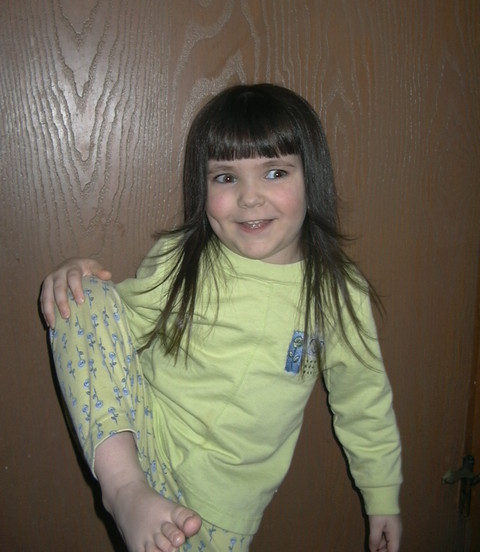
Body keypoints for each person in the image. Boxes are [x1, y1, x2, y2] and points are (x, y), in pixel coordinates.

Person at [41, 83, 402, 552]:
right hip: (138, 446)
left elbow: (363, 400)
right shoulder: (180, 258)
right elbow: (107, 336)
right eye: (227, 178)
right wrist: (73, 277)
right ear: (203, 186)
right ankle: (123, 492)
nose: (250, 198)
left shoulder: (336, 291)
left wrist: (382, 499)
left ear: (311, 178)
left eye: (275, 172)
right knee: (81, 297)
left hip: (221, 509)